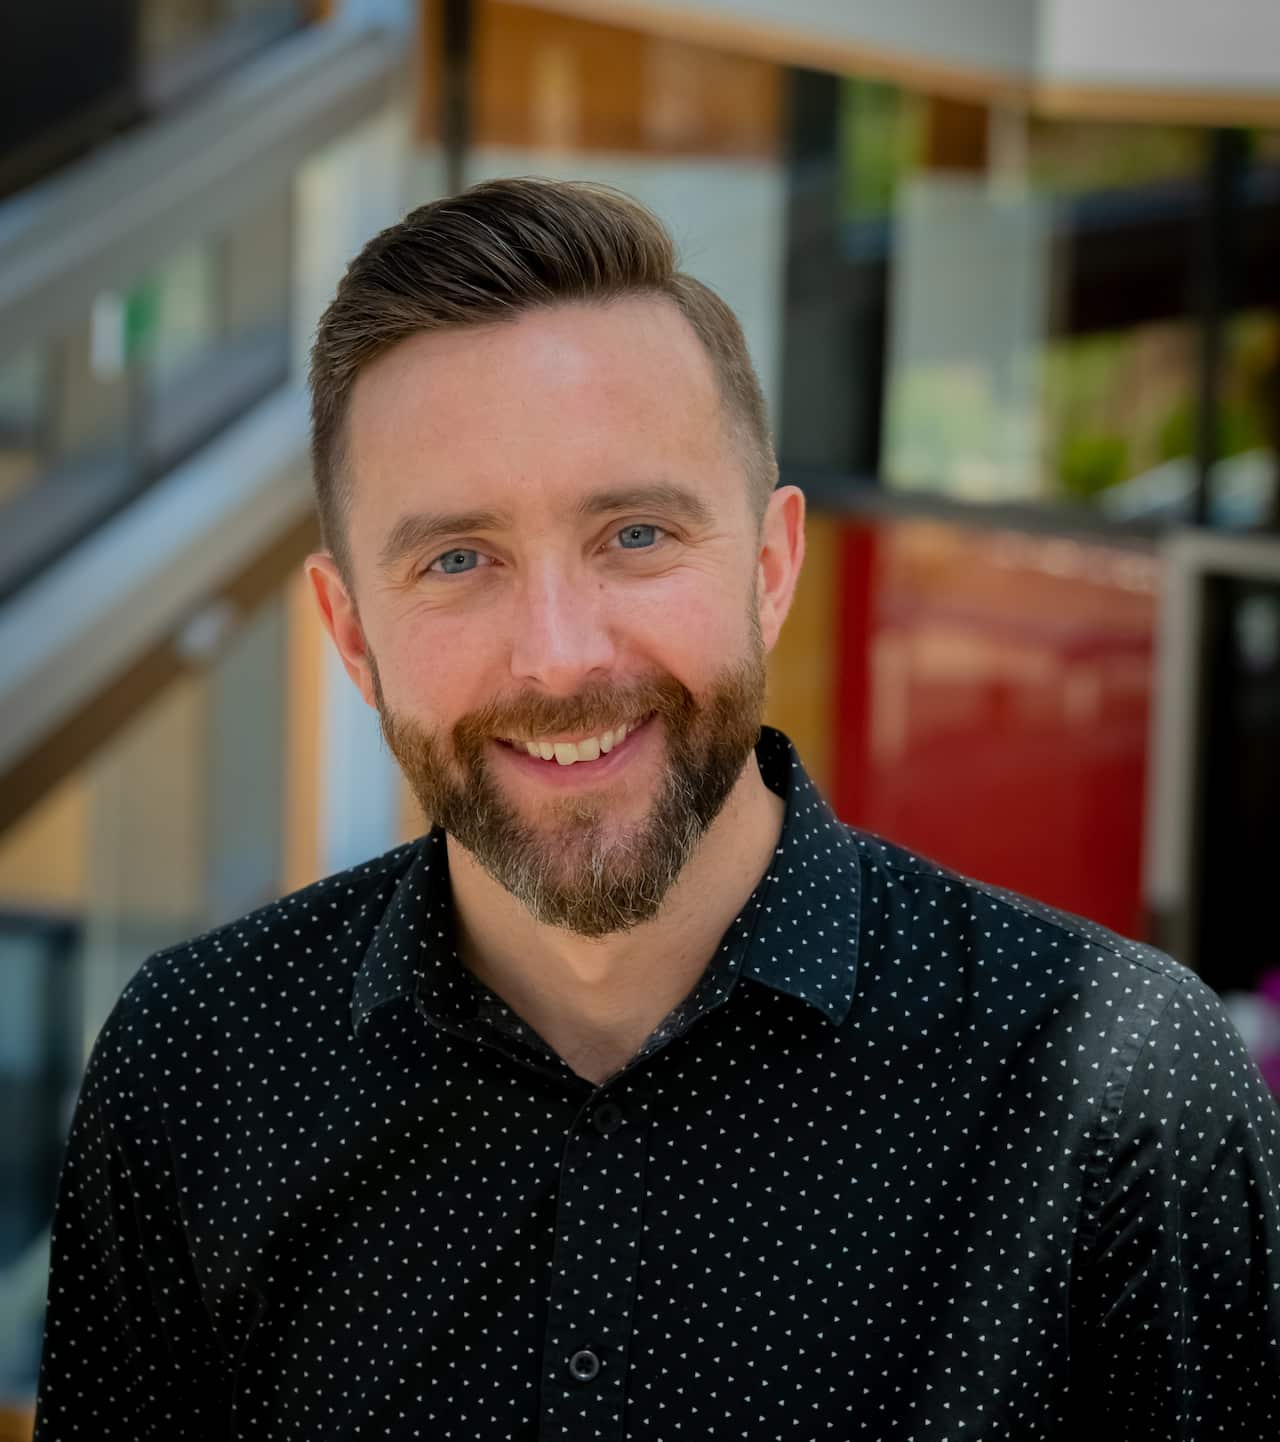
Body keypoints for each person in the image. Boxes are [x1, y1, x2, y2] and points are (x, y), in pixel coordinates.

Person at [33, 178, 1280, 1440]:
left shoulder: (1117, 1092)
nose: (560, 655)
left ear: (769, 567)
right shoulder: (197, 1064)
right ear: (353, 635)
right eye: (456, 560)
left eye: (633, 533)